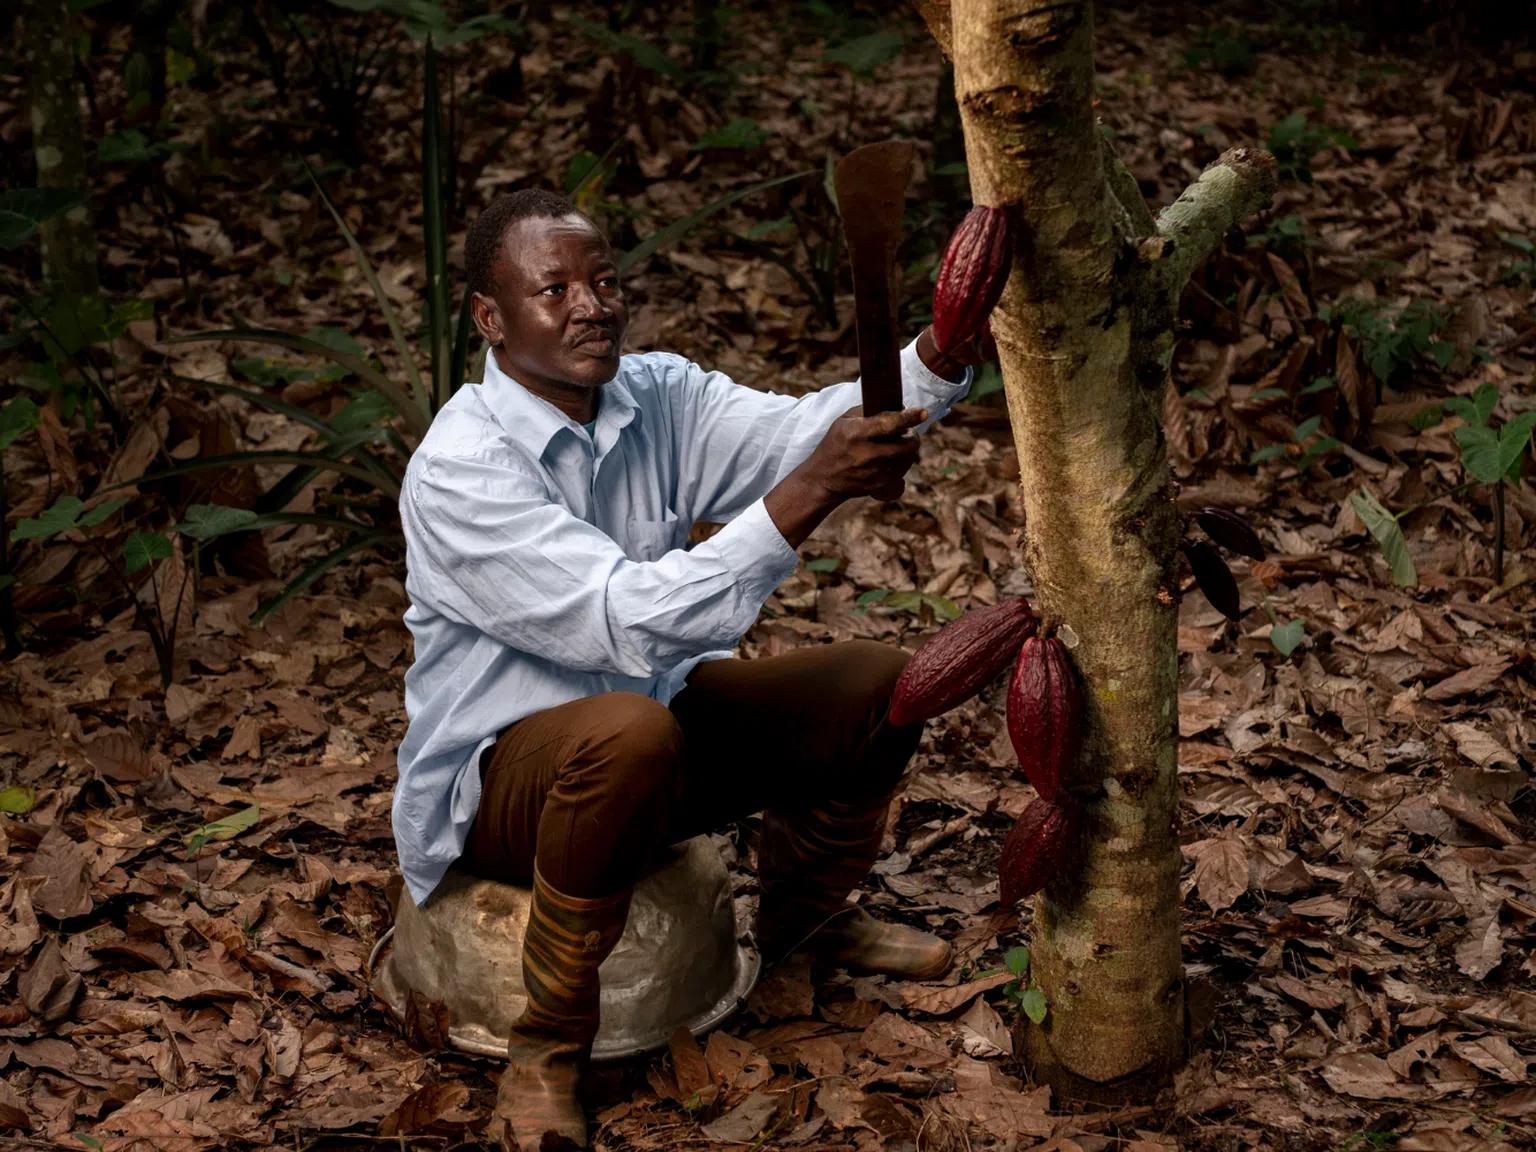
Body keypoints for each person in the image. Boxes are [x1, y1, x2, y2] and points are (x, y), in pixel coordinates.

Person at [394, 187, 982, 1151]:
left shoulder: (654, 393)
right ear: (490, 319)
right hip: (503, 790)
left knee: (880, 684)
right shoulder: (463, 465)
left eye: (604, 280)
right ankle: (546, 1049)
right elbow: (626, 623)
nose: (591, 305)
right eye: (555, 290)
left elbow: (797, 435)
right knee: (626, 734)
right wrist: (811, 492)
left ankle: (807, 925)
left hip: (649, 737)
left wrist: (939, 358)